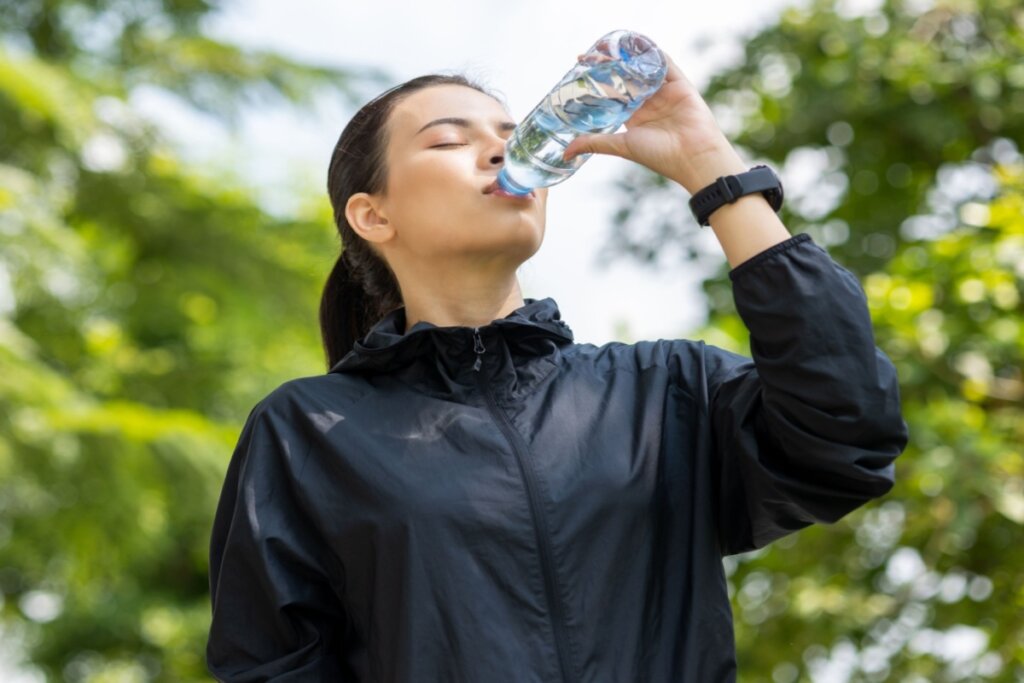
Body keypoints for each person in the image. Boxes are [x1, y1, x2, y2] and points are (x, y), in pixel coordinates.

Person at [205, 52, 909, 682]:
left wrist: (711, 166)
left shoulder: (666, 393)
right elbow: (269, 666)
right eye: (451, 140)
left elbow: (848, 434)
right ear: (372, 215)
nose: (500, 153)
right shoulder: (308, 430)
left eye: (513, 138)